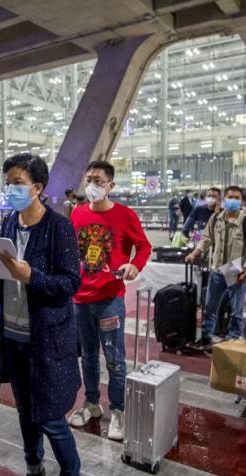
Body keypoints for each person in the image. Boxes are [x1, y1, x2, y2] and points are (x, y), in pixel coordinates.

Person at [0, 153, 86, 476]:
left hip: (47, 339)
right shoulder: (8, 222)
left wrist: (31, 276)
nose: (11, 189)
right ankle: (35, 470)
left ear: (37, 188)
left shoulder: (59, 228)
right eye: (7, 182)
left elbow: (70, 283)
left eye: (17, 182)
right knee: (25, 413)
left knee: (52, 418)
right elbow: (4, 275)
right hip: (11, 333)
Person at [68, 160, 152, 441]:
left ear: (111, 185)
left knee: (115, 359)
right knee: (88, 357)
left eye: (98, 181)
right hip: (80, 299)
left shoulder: (125, 215)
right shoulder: (77, 214)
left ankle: (119, 410)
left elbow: (143, 245)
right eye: (88, 179)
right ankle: (91, 403)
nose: (91, 185)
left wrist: (134, 265)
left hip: (109, 299)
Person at [186, 186, 246, 347]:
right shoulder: (216, 218)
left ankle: (234, 342)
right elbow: (206, 238)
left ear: (241, 200)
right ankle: (206, 338)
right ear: (224, 199)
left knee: (237, 311)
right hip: (217, 271)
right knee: (210, 308)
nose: (233, 200)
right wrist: (194, 254)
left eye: (237, 197)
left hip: (236, 272)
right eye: (230, 196)